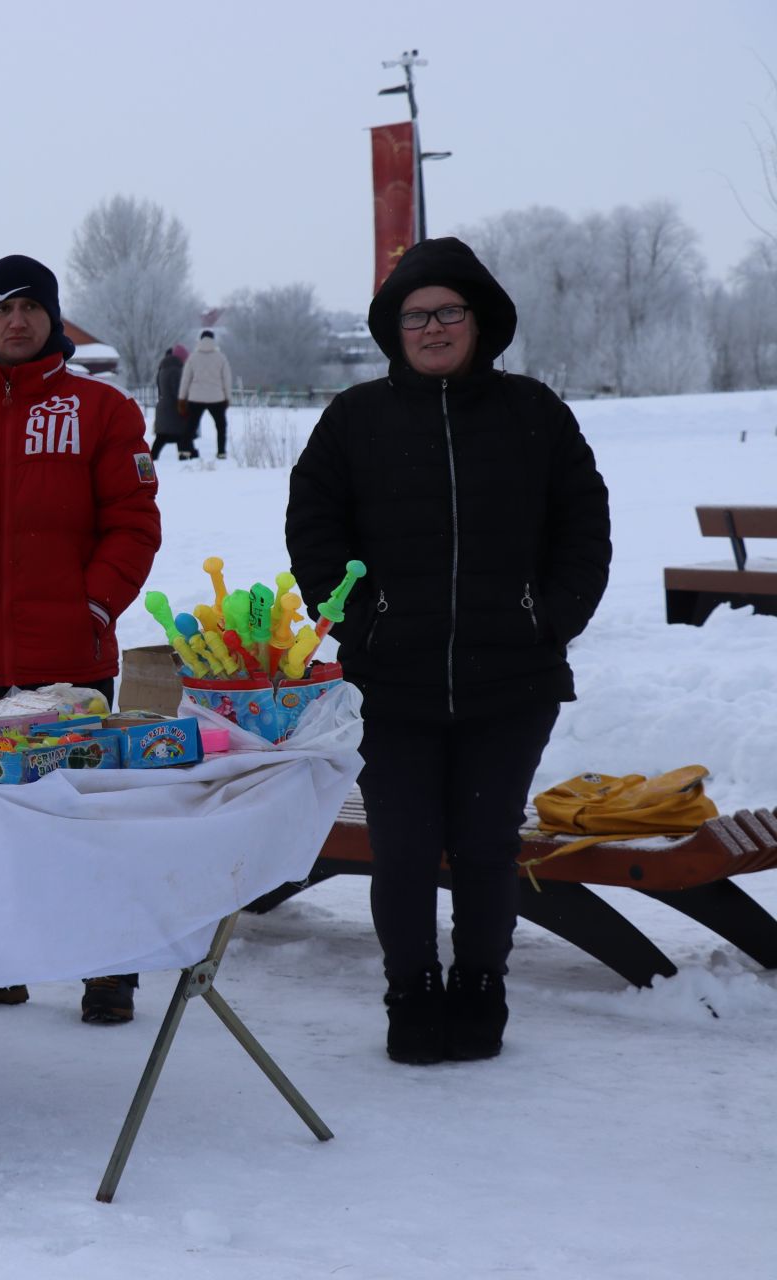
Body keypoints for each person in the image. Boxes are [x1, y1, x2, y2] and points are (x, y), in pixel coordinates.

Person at [284, 237, 611, 1066]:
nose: (432, 328)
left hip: (514, 678)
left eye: (448, 312)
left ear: (480, 319)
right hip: (390, 681)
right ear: (394, 329)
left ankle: (480, 989)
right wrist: (364, 617)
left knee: (485, 844)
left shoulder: (534, 412)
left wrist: (554, 615)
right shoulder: (354, 420)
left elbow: (585, 523)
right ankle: (411, 993)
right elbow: (314, 529)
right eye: (415, 315)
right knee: (400, 845)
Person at [0, 253, 163, 1024]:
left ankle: (108, 971)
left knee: (84, 822)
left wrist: (97, 607)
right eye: (2, 308)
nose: (17, 321)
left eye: (31, 307)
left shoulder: (102, 412)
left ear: (52, 318)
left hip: (68, 660)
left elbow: (133, 523)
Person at [177, 329, 232, 459]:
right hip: (216, 397)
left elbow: (186, 379)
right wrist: (227, 398)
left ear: (200, 340)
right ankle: (221, 451)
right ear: (213, 340)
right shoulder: (221, 357)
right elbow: (227, 379)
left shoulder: (193, 357)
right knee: (221, 426)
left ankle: (185, 451)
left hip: (196, 397)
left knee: (191, 425)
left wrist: (181, 398)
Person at [153, 345, 196, 459]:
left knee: (163, 437)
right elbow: (178, 391)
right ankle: (188, 455)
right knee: (182, 433)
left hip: (164, 408)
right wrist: (185, 403)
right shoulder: (175, 371)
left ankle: (152, 457)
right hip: (173, 409)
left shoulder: (163, 369)